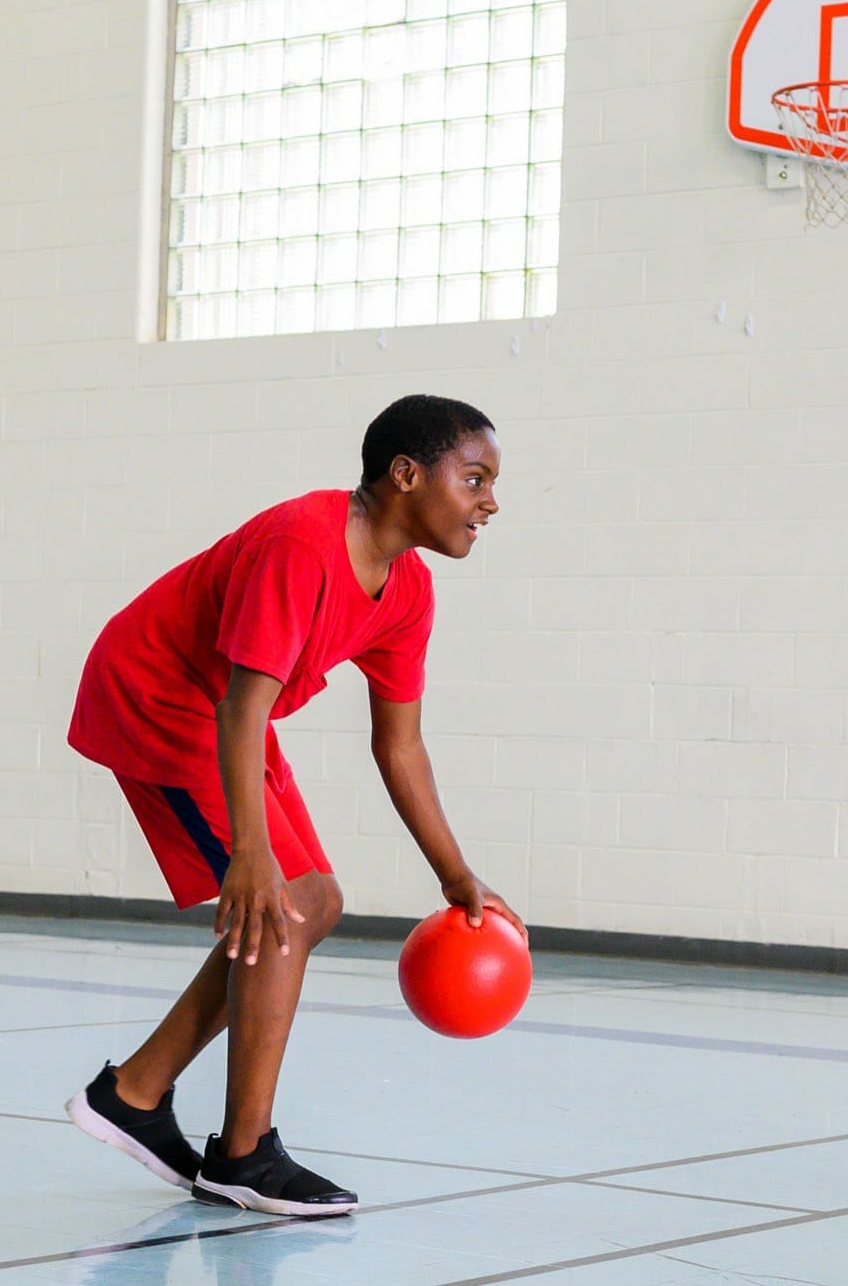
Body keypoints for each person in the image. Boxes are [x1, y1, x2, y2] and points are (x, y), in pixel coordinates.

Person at [61, 394, 522, 1215]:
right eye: (475, 477)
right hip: (160, 696)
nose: (490, 500)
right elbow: (240, 707)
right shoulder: (301, 545)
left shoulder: (408, 591)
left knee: (313, 902)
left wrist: (457, 875)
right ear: (406, 475)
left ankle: (135, 1093)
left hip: (224, 710)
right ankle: (241, 1153)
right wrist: (248, 851)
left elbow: (400, 745)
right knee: (289, 899)